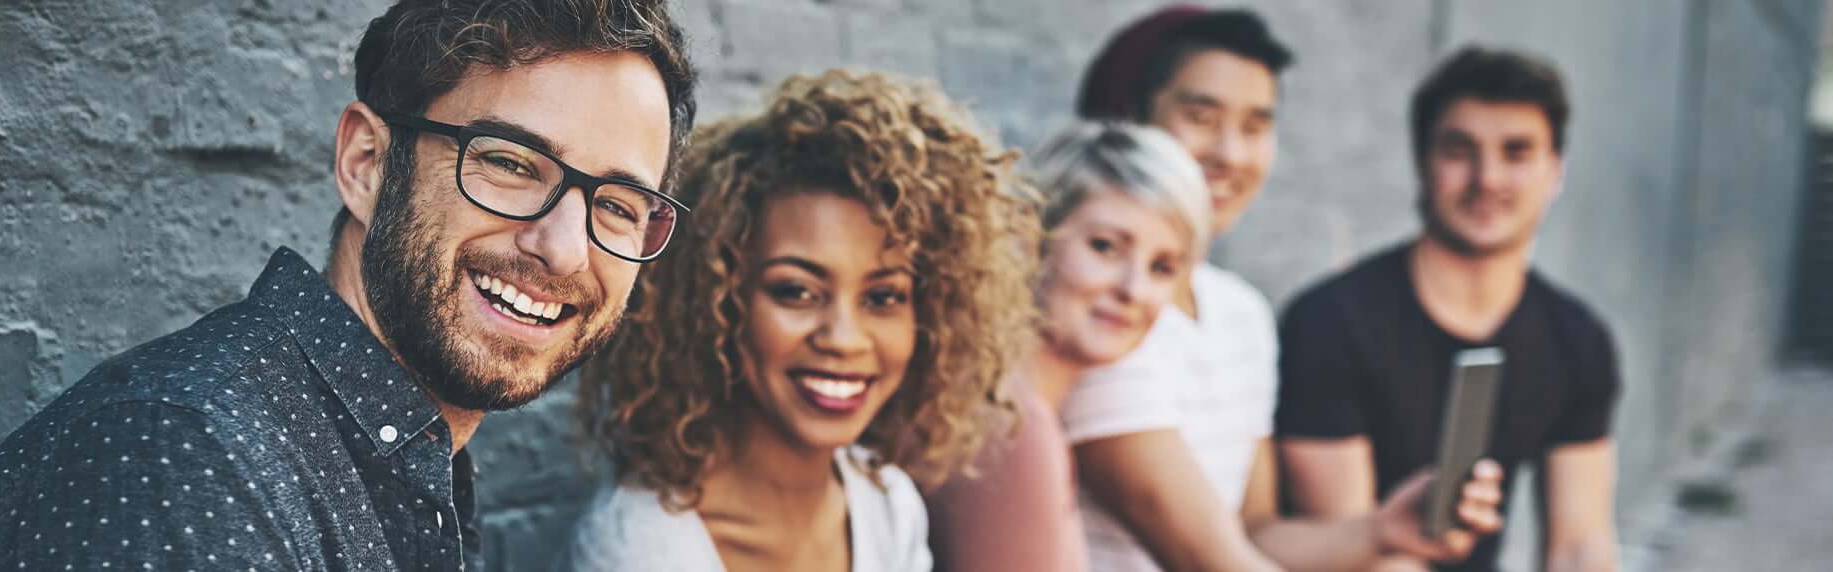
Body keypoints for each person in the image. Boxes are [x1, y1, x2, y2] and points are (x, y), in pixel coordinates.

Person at [0, 1, 697, 569]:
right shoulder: (187, 462)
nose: (562, 249)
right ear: (367, 163)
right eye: (508, 162)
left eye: (618, 205)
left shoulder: (409, 453)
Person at [1067, 6, 1506, 571]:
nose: (1230, 154)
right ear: (1128, 120)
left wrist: (1380, 531)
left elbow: (1255, 532)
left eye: (1255, 127)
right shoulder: (1107, 310)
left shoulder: (1239, 313)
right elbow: (1209, 557)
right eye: (1201, 117)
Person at [558, 69, 1039, 572]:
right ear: (713, 303)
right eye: (796, 291)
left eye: (883, 297)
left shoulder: (887, 503)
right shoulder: (644, 546)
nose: (843, 338)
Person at [1277, 46, 1621, 572]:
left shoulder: (1577, 340)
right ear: (1421, 163)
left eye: (1517, 152)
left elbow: (1581, 545)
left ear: (1555, 171)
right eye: (1459, 150)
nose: (1488, 178)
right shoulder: (1330, 323)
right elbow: (1361, 557)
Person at [926, 121, 1215, 572]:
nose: (1133, 289)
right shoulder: (1011, 424)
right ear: (1030, 236)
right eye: (1105, 247)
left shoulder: (1011, 405)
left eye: (1162, 267)